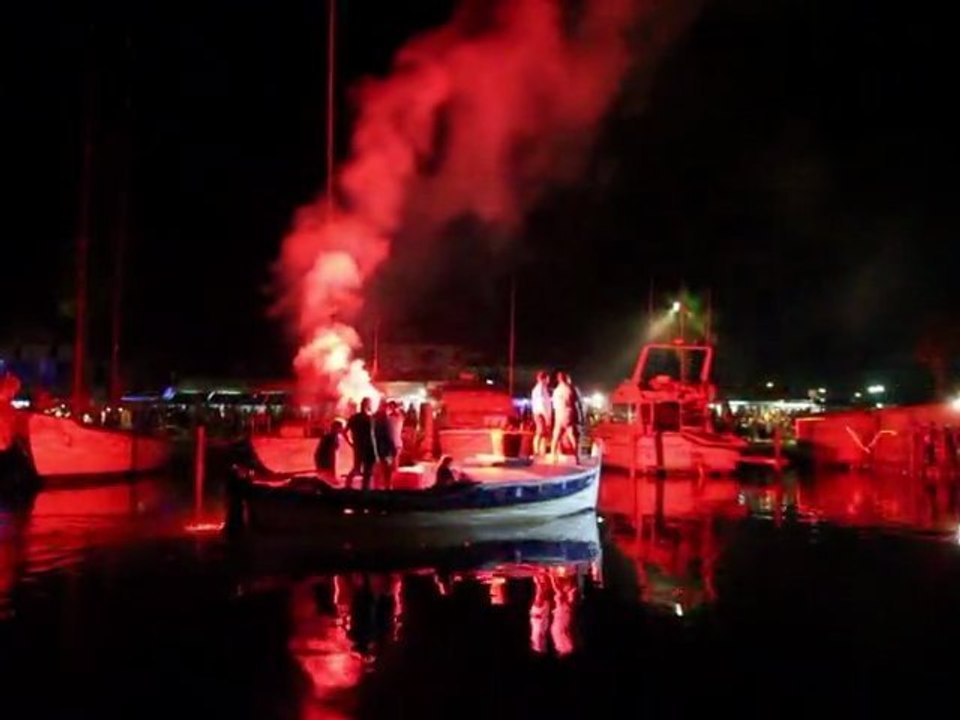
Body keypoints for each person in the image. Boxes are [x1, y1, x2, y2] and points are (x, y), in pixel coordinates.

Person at [344, 398, 377, 490]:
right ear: (367, 405)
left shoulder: (354, 418)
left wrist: (350, 442)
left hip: (358, 446)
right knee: (367, 470)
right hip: (368, 447)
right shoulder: (369, 418)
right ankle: (365, 489)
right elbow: (373, 435)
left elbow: (344, 432)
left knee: (356, 467)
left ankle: (348, 485)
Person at [551, 372, 581, 464]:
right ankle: (577, 458)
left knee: (555, 437)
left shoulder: (556, 391)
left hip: (559, 414)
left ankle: (553, 457)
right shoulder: (570, 389)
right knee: (572, 436)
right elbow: (575, 402)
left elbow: (554, 406)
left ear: (558, 379)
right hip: (568, 414)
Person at [373, 404, 397, 489]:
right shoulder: (385, 422)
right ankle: (387, 487)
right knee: (387, 471)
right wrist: (393, 450)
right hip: (386, 450)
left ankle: (376, 488)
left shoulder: (374, 422)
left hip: (377, 449)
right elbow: (389, 436)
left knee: (378, 471)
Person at [531, 371, 553, 455]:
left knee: (543, 433)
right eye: (547, 378)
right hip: (541, 413)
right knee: (540, 432)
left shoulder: (542, 388)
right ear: (543, 379)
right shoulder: (540, 389)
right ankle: (536, 451)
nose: (548, 380)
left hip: (540, 413)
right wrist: (546, 416)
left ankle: (541, 451)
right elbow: (542, 403)